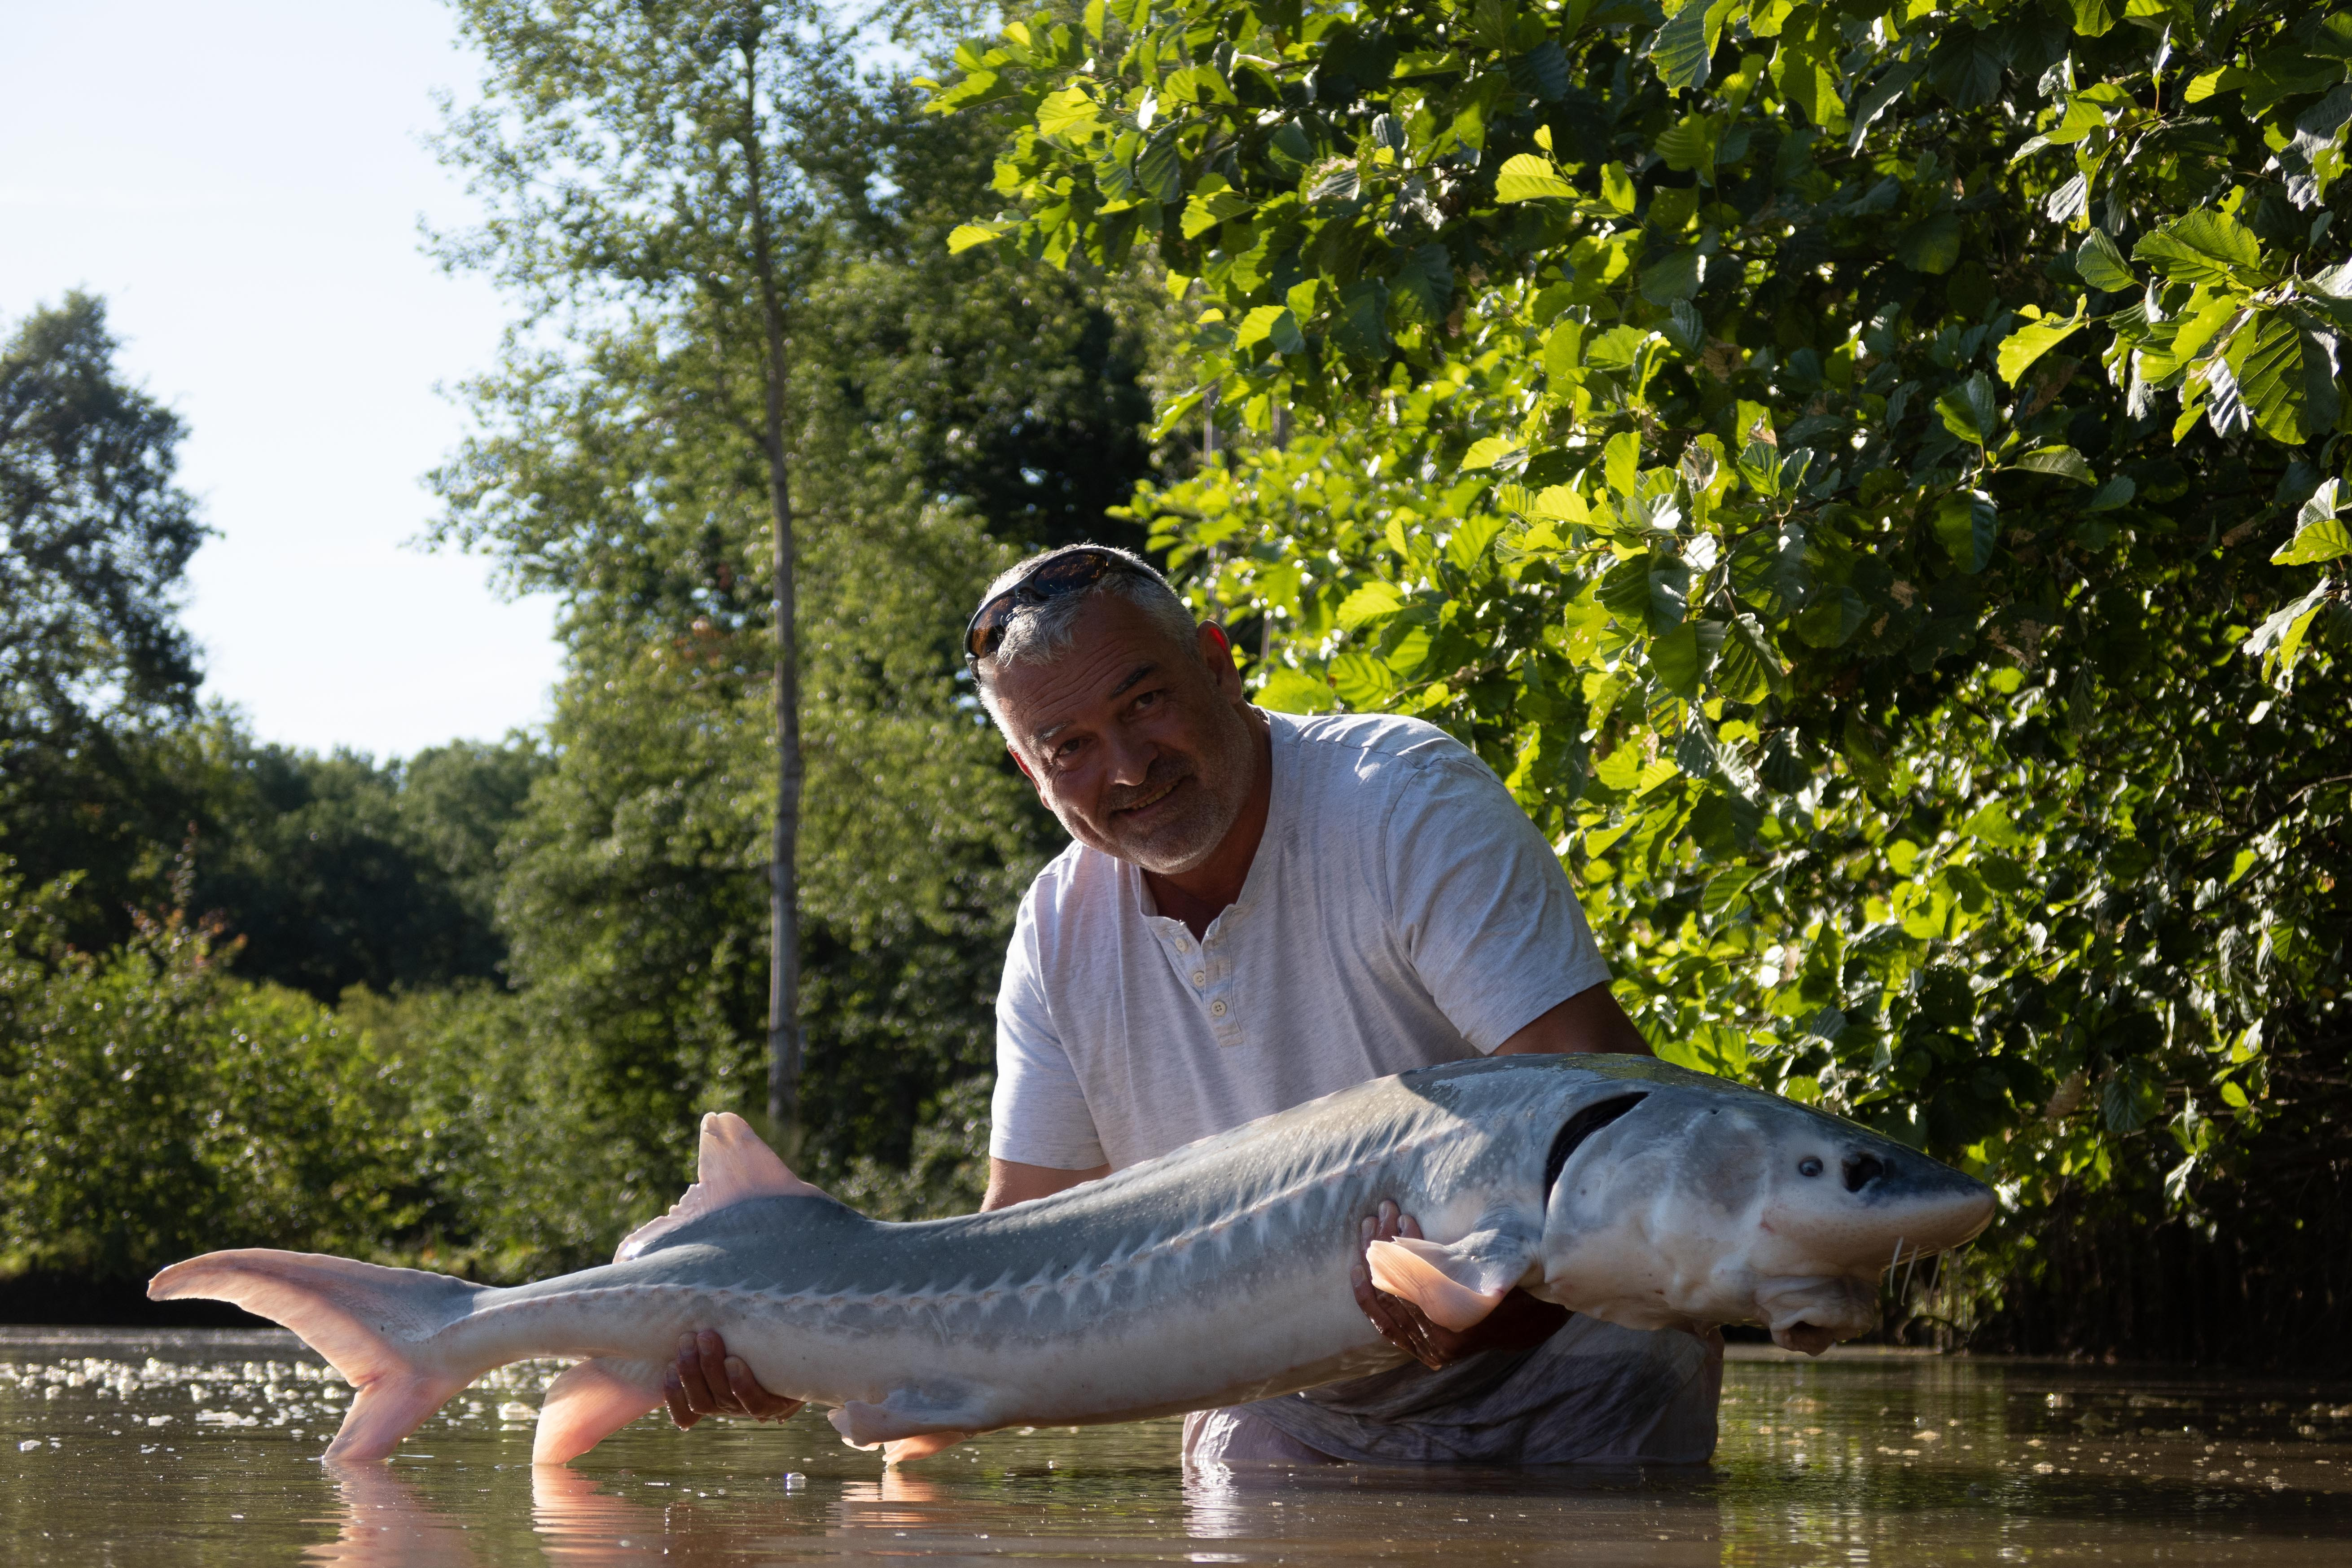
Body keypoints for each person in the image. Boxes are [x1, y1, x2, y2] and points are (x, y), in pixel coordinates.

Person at [663, 543, 1722, 1464]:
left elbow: (1615, 1133)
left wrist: (1487, 1306)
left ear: (1218, 665)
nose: (1128, 767)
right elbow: (1009, 1262)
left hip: (1576, 1374)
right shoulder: (1057, 929)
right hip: (1284, 1409)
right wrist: (789, 1353)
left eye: (1144, 702)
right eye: (1070, 746)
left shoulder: (1401, 800)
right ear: (1030, 772)